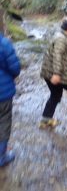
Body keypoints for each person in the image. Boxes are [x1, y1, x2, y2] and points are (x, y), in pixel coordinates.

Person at [0, 20, 21, 167]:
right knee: (4, 122)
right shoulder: (4, 44)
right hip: (3, 93)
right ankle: (2, 156)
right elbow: (15, 68)